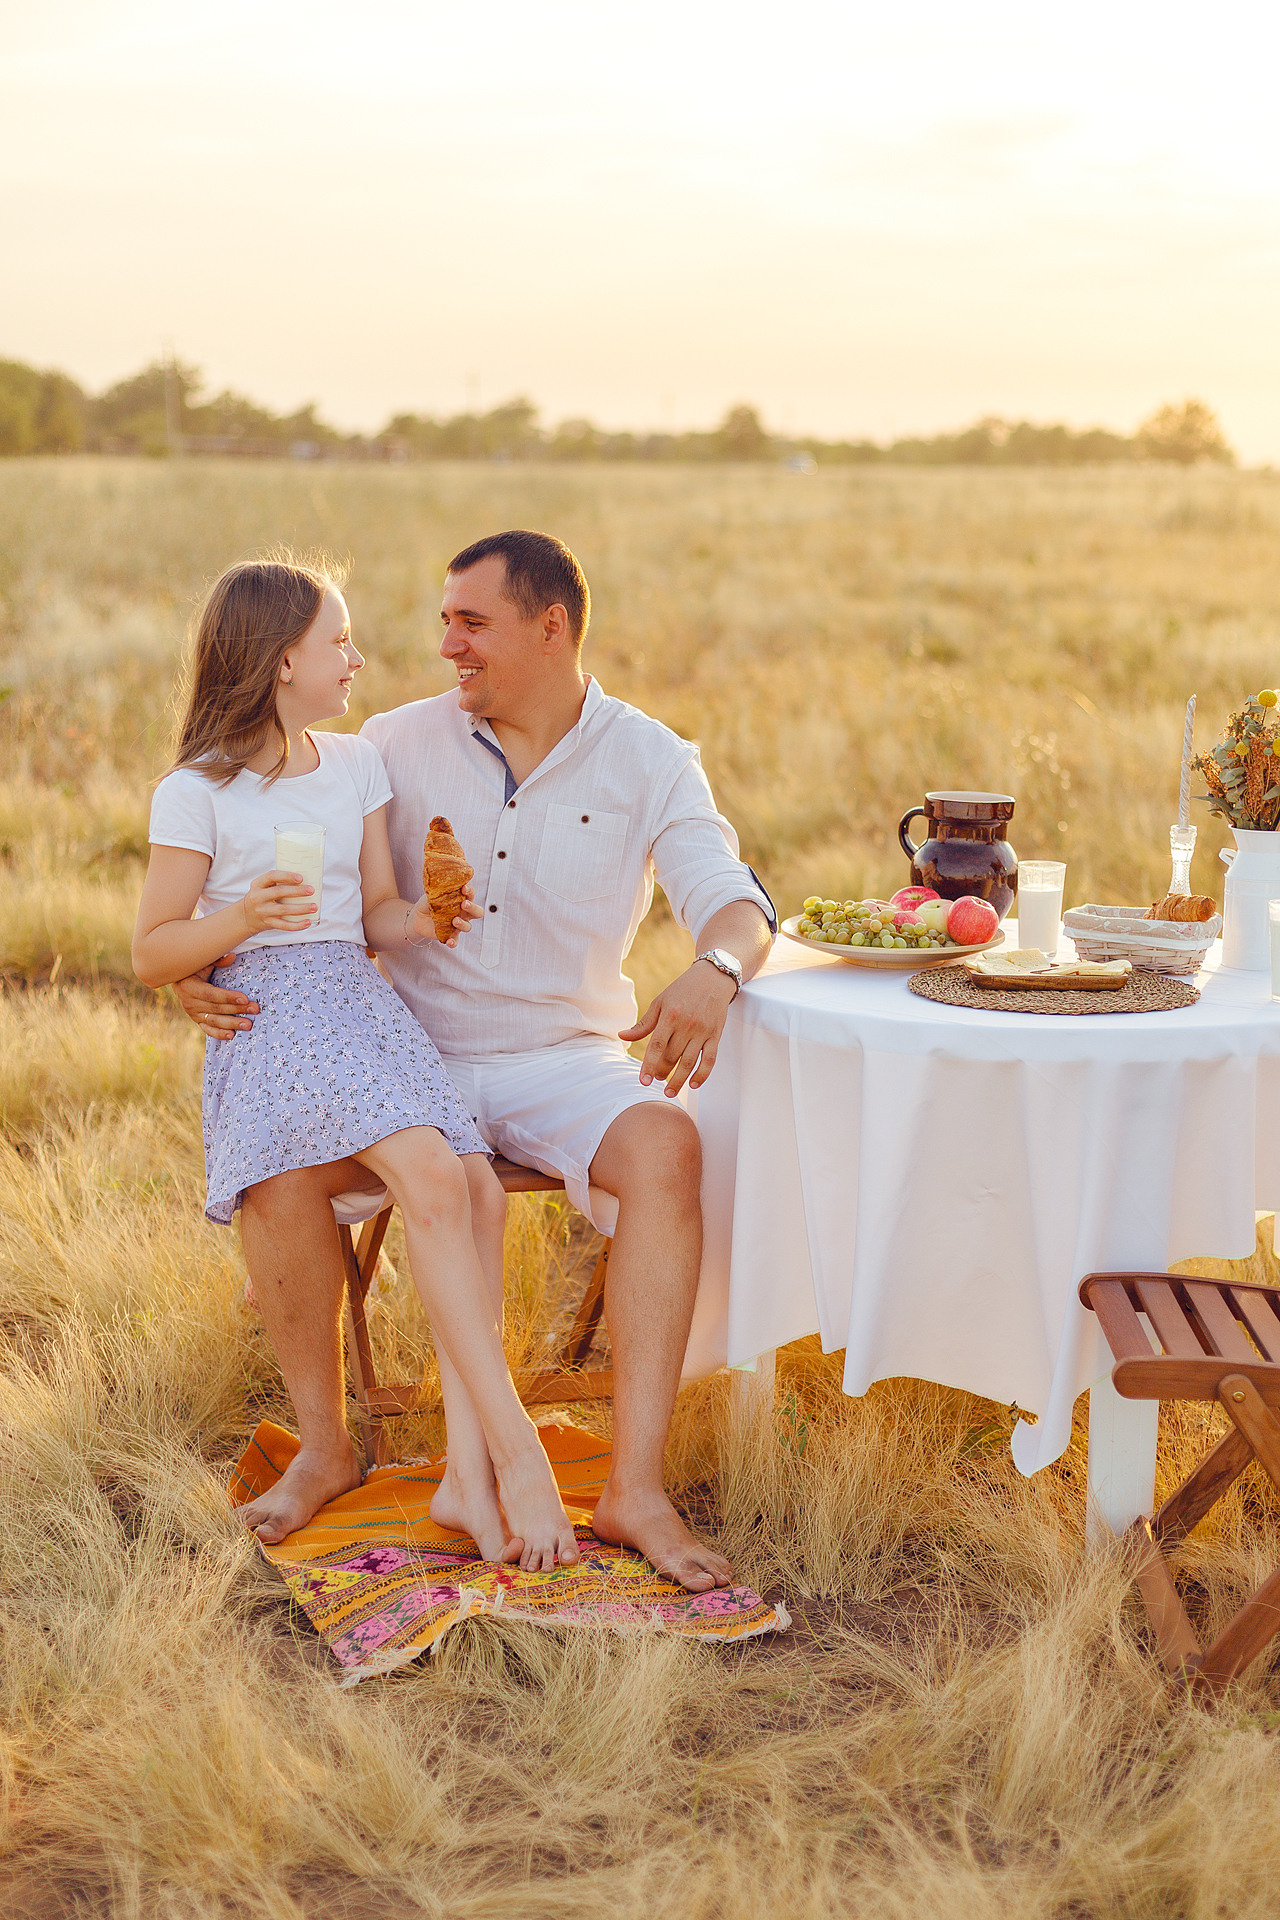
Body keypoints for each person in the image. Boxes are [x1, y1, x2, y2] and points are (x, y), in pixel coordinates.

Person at [177, 531, 775, 1590]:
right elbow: (287, 866)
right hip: (402, 1051)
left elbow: (729, 899)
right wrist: (197, 960)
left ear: (551, 629)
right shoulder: (392, 747)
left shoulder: (650, 758)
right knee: (273, 1165)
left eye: (470, 623)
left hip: (565, 1052)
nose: (443, 644)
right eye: (443, 618)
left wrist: (715, 970)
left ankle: (633, 1486)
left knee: (666, 1148)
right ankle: (326, 1446)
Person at [133, 553, 578, 1571]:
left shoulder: (358, 766)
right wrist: (239, 917)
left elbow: (373, 914)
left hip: (359, 1005)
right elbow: (151, 949)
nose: (357, 658)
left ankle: (464, 1477)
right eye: (336, 641)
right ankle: (516, 1456)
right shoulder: (195, 793)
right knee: (431, 1169)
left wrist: (421, 917)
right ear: (279, 661)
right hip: (272, 1016)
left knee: (474, 1186)